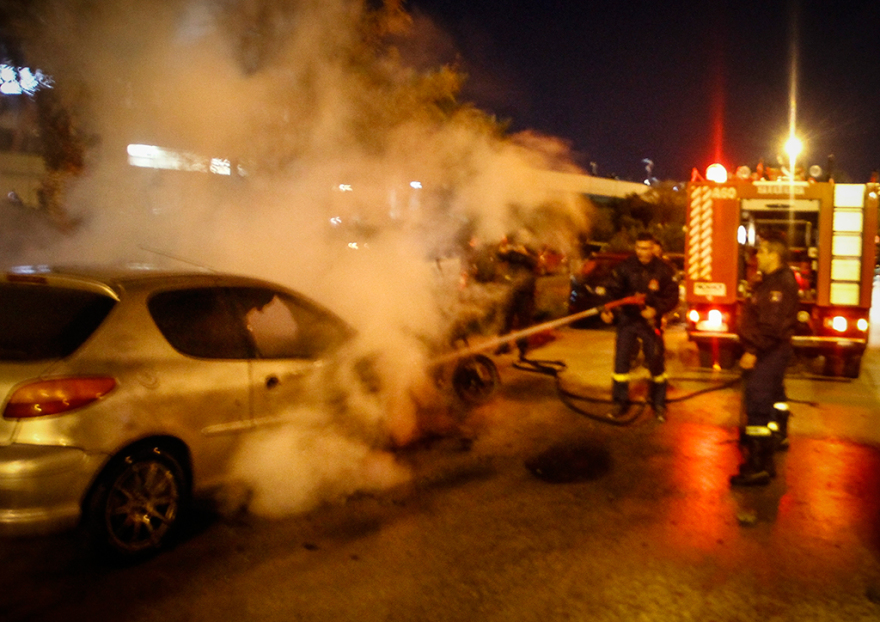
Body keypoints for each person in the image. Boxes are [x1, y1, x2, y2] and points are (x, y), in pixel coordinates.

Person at [730, 232, 799, 486]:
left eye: (761, 251)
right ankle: (769, 451)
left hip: (768, 352)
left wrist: (752, 351)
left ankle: (758, 466)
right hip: (769, 351)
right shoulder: (770, 281)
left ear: (774, 255)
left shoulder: (778, 286)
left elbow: (771, 327)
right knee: (768, 399)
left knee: (758, 403)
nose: (757, 255)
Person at [600, 232, 678, 421]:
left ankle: (658, 404)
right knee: (621, 362)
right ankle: (619, 402)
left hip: (650, 323)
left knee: (656, 362)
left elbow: (672, 298)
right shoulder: (626, 267)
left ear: (653, 248)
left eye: (646, 248)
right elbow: (612, 290)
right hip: (628, 320)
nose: (642, 252)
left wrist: (656, 310)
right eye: (638, 248)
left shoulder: (663, 270)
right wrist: (607, 310)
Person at [495, 234, 539, 359]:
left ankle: (522, 348)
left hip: (526, 291)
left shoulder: (531, 250)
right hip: (511, 290)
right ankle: (503, 346)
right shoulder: (512, 251)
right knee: (505, 319)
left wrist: (524, 253)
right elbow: (500, 256)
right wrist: (502, 244)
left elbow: (535, 263)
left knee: (524, 322)